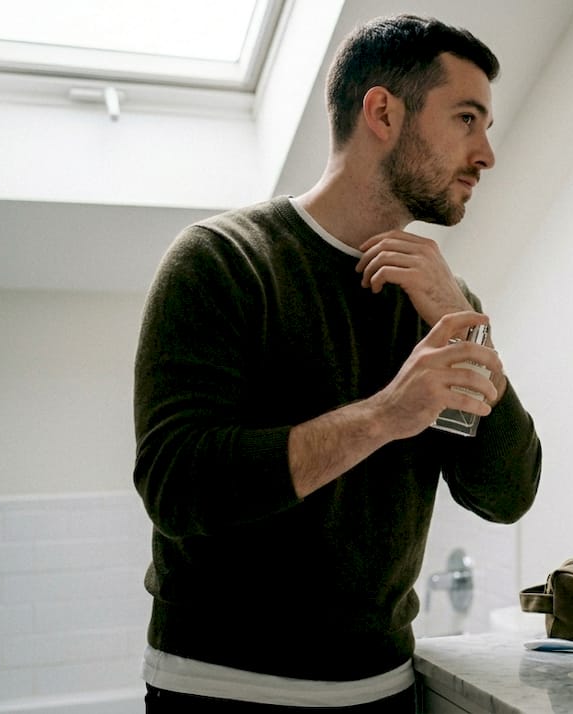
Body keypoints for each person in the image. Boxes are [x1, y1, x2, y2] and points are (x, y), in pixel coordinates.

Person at [132, 14, 543, 712]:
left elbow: (506, 494)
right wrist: (387, 415)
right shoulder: (221, 262)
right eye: (466, 119)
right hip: (221, 692)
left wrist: (461, 325)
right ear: (383, 111)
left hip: (383, 691)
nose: (486, 154)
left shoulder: (441, 298)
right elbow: (178, 487)